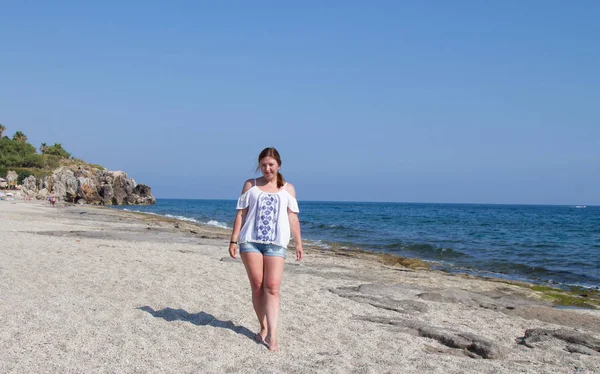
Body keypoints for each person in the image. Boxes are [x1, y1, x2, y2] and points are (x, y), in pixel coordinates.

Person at [229, 147, 303, 352]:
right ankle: (262, 327)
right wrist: (233, 241)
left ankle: (273, 335)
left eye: (271, 165)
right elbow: (241, 215)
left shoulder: (288, 189)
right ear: (259, 166)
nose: (267, 169)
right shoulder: (250, 185)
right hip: (250, 241)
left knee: (272, 287)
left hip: (276, 243)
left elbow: (292, 217)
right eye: (263, 165)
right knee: (257, 285)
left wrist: (298, 243)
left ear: (278, 165)